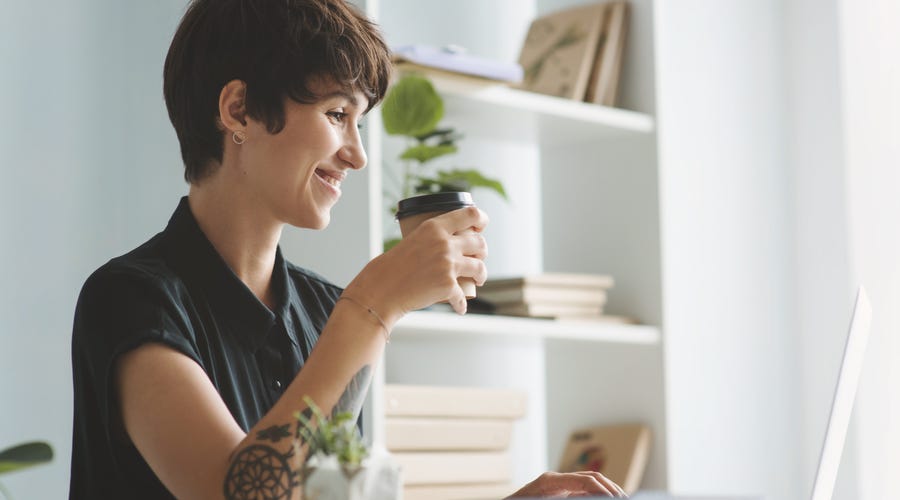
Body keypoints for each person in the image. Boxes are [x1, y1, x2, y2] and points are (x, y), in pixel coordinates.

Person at [69, 0, 627, 498]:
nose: (357, 155)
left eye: (359, 122)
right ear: (238, 111)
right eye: (337, 115)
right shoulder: (130, 299)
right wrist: (373, 306)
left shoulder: (324, 310)